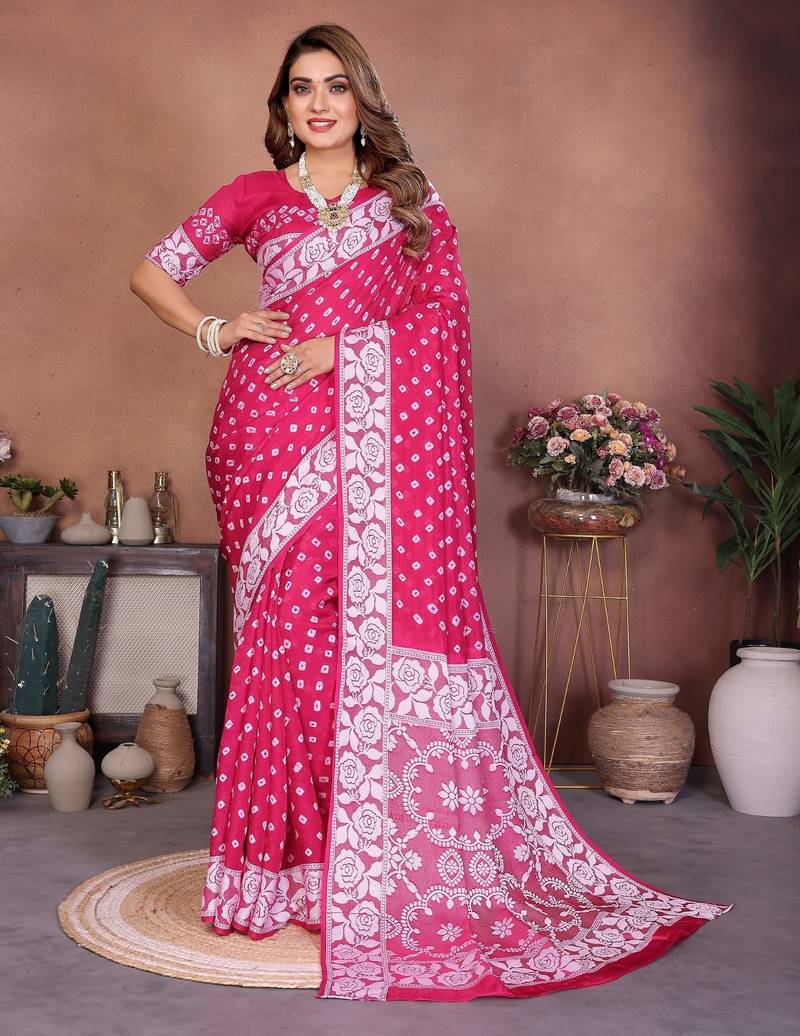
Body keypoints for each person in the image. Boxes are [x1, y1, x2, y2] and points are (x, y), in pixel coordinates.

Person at [130, 23, 732, 1003]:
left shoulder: (407, 203)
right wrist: (214, 327)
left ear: (361, 98)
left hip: (369, 449)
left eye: (335, 86)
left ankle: (357, 860)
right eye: (300, 89)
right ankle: (276, 870)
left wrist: (339, 352)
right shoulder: (251, 196)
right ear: (282, 107)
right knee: (282, 645)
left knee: (346, 647)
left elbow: (440, 324)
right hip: (263, 442)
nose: (318, 104)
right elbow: (151, 272)